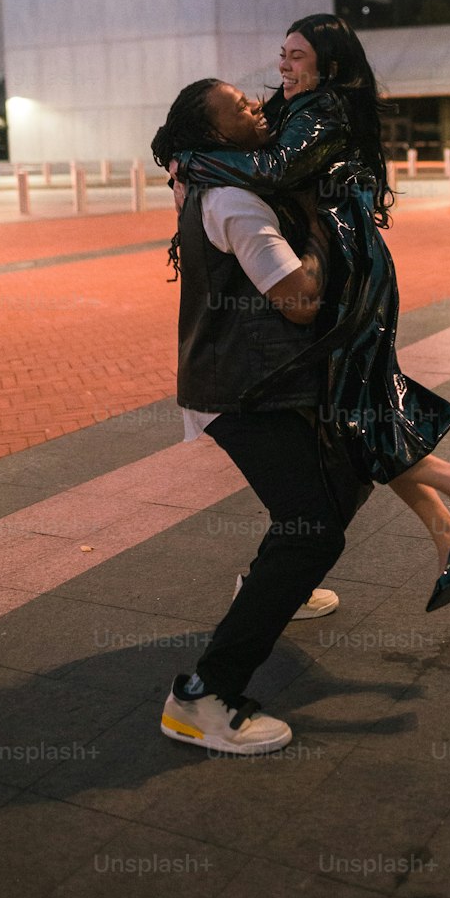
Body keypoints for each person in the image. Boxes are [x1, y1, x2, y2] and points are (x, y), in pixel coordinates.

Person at [171, 14, 450, 616]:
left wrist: (191, 162)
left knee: (356, 407)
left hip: (347, 261)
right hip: (337, 253)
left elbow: (270, 170)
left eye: (296, 56)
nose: (282, 67)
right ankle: (446, 520)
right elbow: (209, 137)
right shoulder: (294, 107)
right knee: (359, 407)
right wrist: (181, 157)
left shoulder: (324, 110)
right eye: (282, 53)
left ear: (328, 64)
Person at [150, 78, 366, 755]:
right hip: (242, 391)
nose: (257, 106)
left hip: (251, 379)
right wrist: (327, 237)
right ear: (218, 135)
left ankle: (274, 582)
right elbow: (299, 300)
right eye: (239, 107)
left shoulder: (213, 176)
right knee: (313, 531)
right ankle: (204, 697)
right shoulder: (238, 199)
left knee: (351, 465)